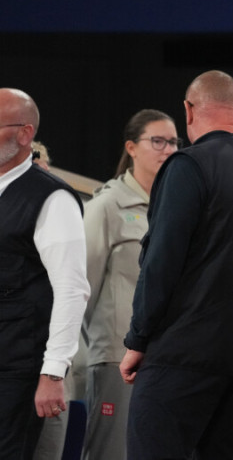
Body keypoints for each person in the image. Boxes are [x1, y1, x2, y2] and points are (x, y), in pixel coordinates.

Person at [119, 71, 233, 460]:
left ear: (188, 110)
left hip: (181, 358)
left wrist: (138, 339)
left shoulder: (188, 165)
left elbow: (161, 262)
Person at [80, 109, 181, 460]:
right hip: (116, 357)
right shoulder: (107, 205)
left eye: (174, 142)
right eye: (158, 141)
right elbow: (83, 288)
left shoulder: (177, 205)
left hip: (166, 358)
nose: (168, 150)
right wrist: (103, 345)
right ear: (131, 147)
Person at [0, 88, 90, 458]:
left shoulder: (52, 198)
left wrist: (53, 373)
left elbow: (71, 289)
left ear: (25, 134)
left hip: (18, 365)